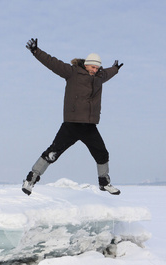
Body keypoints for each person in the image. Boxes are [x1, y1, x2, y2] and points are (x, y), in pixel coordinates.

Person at [22, 38, 123, 196]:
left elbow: (108, 73)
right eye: (92, 66)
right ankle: (31, 179)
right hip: (72, 124)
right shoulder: (72, 72)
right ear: (86, 63)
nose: (94, 70)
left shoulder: (100, 77)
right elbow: (53, 63)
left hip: (89, 126)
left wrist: (115, 69)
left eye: (97, 67)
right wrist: (36, 51)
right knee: (52, 153)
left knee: (102, 153)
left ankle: (104, 183)